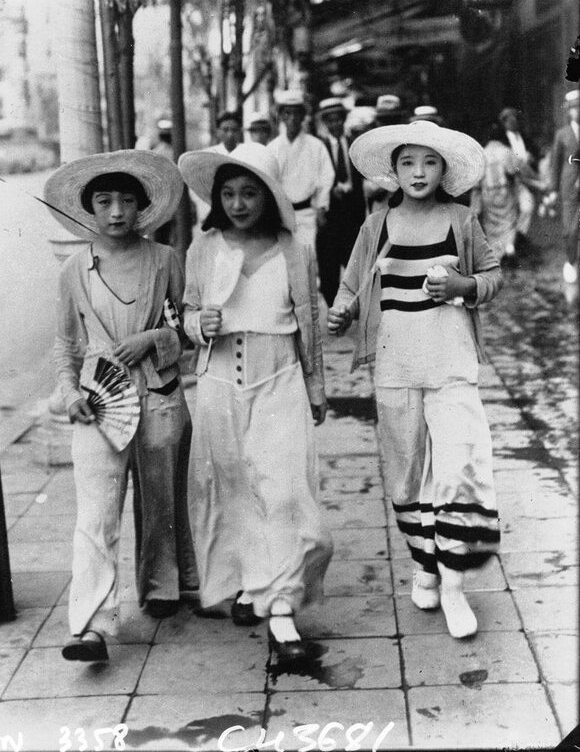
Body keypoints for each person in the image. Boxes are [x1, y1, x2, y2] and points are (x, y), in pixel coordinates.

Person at [327, 119, 502, 639]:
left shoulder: (462, 219)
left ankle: (452, 584)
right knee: (405, 474)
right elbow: (352, 284)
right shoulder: (376, 225)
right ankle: (423, 564)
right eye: (408, 162)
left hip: (450, 359)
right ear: (394, 171)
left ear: (445, 170)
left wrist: (462, 283)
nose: (419, 172)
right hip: (395, 360)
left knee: (458, 465)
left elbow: (491, 277)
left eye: (429, 162)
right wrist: (340, 313)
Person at [179, 142, 333, 661]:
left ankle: (283, 607)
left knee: (287, 492)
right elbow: (185, 311)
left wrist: (316, 386)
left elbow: (309, 319)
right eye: (229, 193)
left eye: (250, 192)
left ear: (269, 196)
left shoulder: (294, 248)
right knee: (233, 488)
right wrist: (198, 324)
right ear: (217, 199)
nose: (239, 203)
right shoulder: (203, 249)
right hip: (219, 383)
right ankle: (250, 583)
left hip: (280, 379)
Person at [45, 150, 198, 662]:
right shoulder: (74, 269)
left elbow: (188, 330)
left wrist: (154, 337)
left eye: (127, 200)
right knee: (95, 512)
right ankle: (91, 624)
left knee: (160, 499)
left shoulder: (165, 259)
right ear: (89, 208)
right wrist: (69, 394)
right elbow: (66, 345)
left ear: (142, 207)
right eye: (105, 201)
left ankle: (160, 587)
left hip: (157, 393)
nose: (116, 211)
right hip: (98, 400)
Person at [266, 89, 334, 251]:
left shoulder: (315, 146)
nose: (292, 118)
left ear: (303, 116)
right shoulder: (273, 148)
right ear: (281, 116)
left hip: (307, 214)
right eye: (287, 113)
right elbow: (267, 180)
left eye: (297, 113)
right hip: (280, 215)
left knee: (307, 260)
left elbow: (326, 177)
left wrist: (321, 207)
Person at [316, 97, 368, 306]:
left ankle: (355, 306)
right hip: (330, 216)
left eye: (338, 119)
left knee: (355, 263)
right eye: (330, 120)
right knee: (328, 267)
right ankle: (333, 307)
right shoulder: (319, 147)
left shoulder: (355, 144)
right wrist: (330, 190)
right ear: (325, 122)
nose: (335, 124)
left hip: (353, 214)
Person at [472, 121, 545, 263]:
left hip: (488, 196)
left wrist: (475, 207)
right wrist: (537, 180)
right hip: (505, 193)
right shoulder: (505, 151)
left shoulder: (481, 155)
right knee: (508, 223)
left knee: (493, 227)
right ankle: (510, 247)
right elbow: (521, 169)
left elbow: (476, 185)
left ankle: (497, 255)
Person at [546, 89, 580, 284]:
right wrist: (552, 190)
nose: (578, 111)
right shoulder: (562, 134)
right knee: (570, 229)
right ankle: (571, 261)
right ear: (569, 112)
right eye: (574, 108)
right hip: (570, 187)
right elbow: (555, 164)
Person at [190, 110, 243, 228]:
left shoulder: (246, 154)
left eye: (234, 130)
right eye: (225, 130)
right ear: (218, 132)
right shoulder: (208, 155)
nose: (230, 134)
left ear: (240, 132)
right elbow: (197, 187)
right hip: (210, 209)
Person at [497, 107, 538, 247]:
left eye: (515, 119)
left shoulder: (524, 137)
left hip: (523, 180)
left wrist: (532, 158)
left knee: (527, 207)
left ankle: (519, 237)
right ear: (504, 122)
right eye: (510, 120)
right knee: (509, 213)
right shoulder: (501, 141)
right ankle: (509, 246)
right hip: (507, 181)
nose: (513, 122)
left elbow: (535, 152)